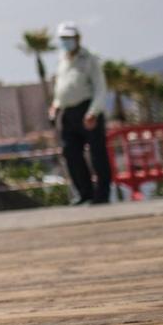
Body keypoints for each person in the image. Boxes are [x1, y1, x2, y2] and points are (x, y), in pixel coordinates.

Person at [50, 21, 113, 206]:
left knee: (97, 154)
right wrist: (55, 105)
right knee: (70, 152)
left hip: (87, 111)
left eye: (69, 38)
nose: (66, 42)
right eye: (63, 39)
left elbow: (100, 88)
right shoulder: (62, 59)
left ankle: (102, 194)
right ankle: (85, 193)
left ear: (78, 38)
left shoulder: (90, 58)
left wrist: (93, 112)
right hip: (67, 113)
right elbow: (61, 87)